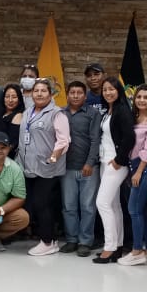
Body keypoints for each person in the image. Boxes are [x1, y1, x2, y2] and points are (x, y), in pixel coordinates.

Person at [18, 79, 70, 257]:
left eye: (43, 91)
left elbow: (64, 140)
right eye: (36, 91)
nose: (39, 94)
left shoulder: (57, 114)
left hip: (48, 168)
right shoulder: (28, 112)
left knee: (42, 203)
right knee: (34, 204)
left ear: (50, 94)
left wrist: (54, 156)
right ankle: (47, 238)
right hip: (28, 167)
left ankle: (48, 242)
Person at [93, 76, 135, 263]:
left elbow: (129, 137)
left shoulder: (122, 110)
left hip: (115, 164)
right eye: (105, 90)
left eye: (112, 89)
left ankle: (109, 247)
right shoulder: (108, 111)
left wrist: (119, 160)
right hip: (105, 162)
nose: (108, 92)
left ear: (119, 91)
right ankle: (117, 245)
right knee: (114, 205)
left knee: (102, 203)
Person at [118, 84, 147, 266]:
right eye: (139, 97)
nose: (142, 100)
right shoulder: (133, 118)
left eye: (146, 97)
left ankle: (137, 251)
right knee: (144, 210)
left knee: (134, 209)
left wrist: (139, 171)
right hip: (132, 165)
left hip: (145, 167)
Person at [61, 81, 101, 257]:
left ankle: (85, 241)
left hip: (88, 168)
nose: (75, 96)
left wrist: (89, 163)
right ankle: (71, 239)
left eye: (79, 93)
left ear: (85, 96)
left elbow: (95, 140)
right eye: (72, 92)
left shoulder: (93, 113)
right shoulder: (60, 114)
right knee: (68, 206)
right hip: (66, 168)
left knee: (87, 207)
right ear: (67, 95)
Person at [0, 83, 25, 157]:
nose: (10, 100)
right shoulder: (1, 113)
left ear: (19, 99)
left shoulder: (18, 116)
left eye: (14, 97)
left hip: (4, 156)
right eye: (7, 96)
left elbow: (12, 143)